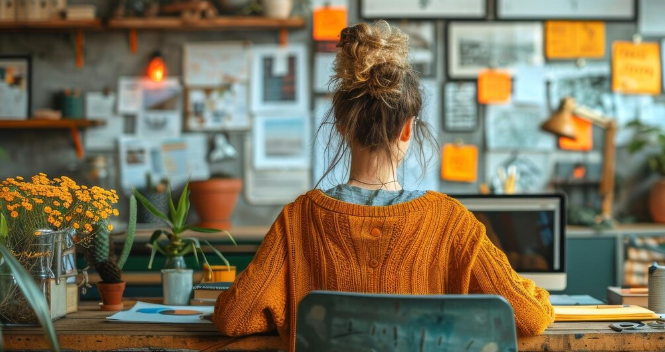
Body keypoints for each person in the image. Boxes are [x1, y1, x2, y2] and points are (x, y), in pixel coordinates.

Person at [213, 21, 554, 348]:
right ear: (408, 129)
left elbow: (234, 317)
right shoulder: (451, 222)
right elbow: (530, 315)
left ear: (342, 126)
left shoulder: (297, 219)